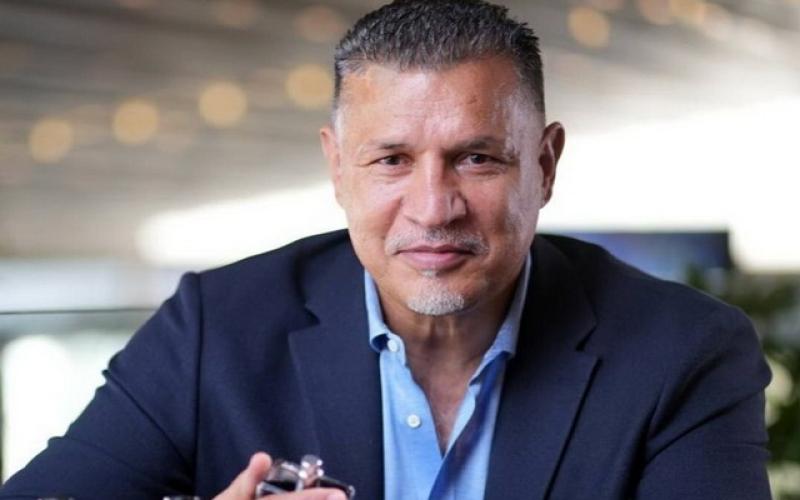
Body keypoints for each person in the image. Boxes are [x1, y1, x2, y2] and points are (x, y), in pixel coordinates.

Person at [0, 1, 772, 499]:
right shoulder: (213, 328)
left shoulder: (683, 352)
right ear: (338, 168)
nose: (433, 209)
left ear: (544, 165)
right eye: (392, 160)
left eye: (477, 158)